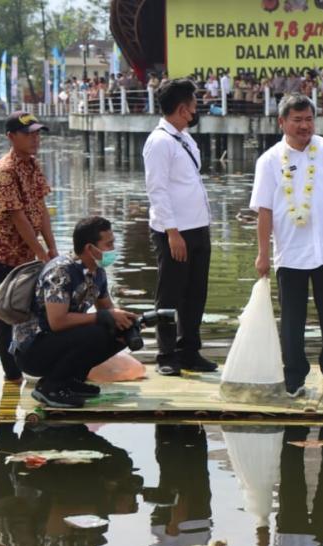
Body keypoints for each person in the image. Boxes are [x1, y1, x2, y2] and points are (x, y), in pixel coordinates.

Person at [251, 94, 323, 400]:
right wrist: (263, 253)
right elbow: (264, 211)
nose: (304, 126)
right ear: (282, 122)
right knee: (292, 320)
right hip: (290, 251)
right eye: (297, 120)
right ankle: (294, 377)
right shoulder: (269, 160)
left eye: (309, 119)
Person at [10, 217, 138, 408]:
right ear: (89, 248)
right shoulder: (61, 271)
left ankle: (68, 380)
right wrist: (103, 317)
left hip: (59, 341)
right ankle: (50, 388)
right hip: (33, 350)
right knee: (97, 331)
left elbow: (107, 309)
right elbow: (57, 322)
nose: (113, 249)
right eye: (108, 244)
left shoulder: (97, 272)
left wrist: (128, 320)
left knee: (119, 331)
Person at [143, 78, 216, 376]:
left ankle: (190, 351)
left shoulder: (184, 138)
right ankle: (166, 355)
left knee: (196, 293)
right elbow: (156, 190)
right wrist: (172, 231)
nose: (196, 109)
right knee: (171, 294)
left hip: (198, 227)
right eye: (194, 104)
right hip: (174, 231)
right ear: (184, 109)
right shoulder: (159, 141)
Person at [0, 112, 58, 383]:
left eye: (37, 133)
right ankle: (12, 374)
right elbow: (18, 217)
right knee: (7, 314)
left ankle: (32, 363)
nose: (35, 139)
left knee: (31, 313)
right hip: (2, 255)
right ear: (11, 137)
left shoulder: (31, 165)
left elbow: (40, 209)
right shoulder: (3, 171)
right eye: (29, 134)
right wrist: (41, 253)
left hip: (27, 255)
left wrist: (52, 248)